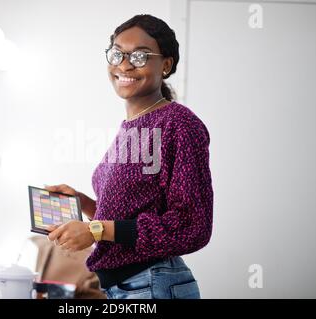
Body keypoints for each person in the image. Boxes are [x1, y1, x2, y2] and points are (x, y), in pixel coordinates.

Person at [47, 14, 213, 299]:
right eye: (117, 54)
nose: (124, 65)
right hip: (126, 287)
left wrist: (95, 229)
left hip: (151, 286)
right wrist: (84, 203)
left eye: (139, 56)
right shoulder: (131, 127)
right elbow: (131, 216)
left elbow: (192, 225)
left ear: (166, 65)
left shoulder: (178, 124)